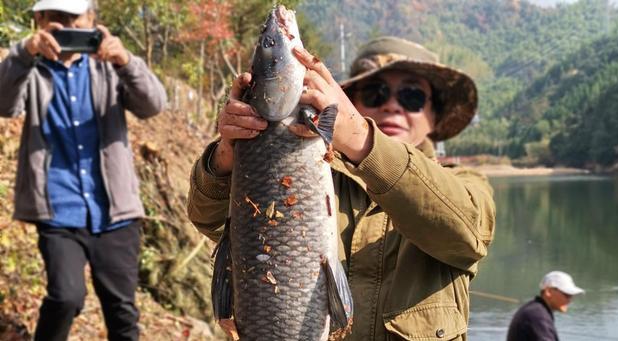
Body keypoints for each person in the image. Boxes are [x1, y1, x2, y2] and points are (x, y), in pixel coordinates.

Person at [187, 36, 495, 341]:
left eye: (412, 97)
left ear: (434, 115)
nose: (392, 106)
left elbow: (467, 232)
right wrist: (229, 156)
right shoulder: (304, 170)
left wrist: (362, 139)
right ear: (351, 102)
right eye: (376, 93)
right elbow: (209, 219)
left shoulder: (463, 185)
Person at [0, 0, 167, 340]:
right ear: (40, 20)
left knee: (122, 313)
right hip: (58, 210)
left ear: (92, 19)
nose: (66, 27)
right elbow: (4, 104)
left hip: (115, 212)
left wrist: (126, 61)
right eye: (56, 19)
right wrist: (24, 52)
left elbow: (154, 105)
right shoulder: (30, 69)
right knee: (65, 296)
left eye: (73, 18)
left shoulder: (109, 67)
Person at [506, 271, 585, 341]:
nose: (569, 300)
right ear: (548, 292)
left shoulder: (536, 309)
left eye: (571, 296)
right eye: (567, 295)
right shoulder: (537, 315)